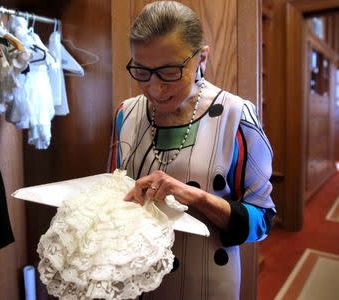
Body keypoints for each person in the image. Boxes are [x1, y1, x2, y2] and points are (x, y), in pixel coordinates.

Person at [108, 1, 276, 299]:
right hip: (137, 280)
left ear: (202, 58)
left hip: (208, 281)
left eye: (170, 71)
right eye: (142, 72)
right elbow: (113, 191)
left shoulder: (236, 117)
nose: (155, 88)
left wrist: (193, 195)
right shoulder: (126, 114)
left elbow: (261, 221)